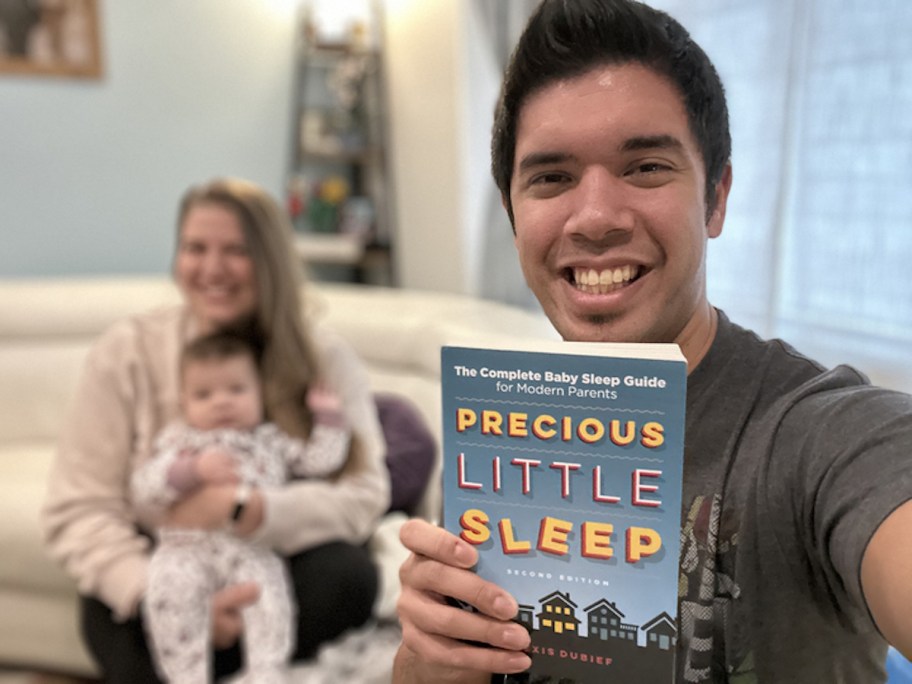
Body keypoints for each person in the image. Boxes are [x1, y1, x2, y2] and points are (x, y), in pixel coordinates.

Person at [393, 1, 912, 683]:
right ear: (513, 215)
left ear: (716, 198)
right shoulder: (498, 445)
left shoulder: (818, 433)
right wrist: (428, 657)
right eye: (551, 177)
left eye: (645, 167)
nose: (597, 217)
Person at [42, 177, 390, 683]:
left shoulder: (325, 359)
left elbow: (364, 495)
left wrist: (247, 508)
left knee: (348, 576)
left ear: (269, 261)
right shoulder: (128, 352)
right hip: (169, 568)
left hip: (271, 566)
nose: (211, 269)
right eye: (195, 248)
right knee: (105, 607)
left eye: (235, 251)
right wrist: (161, 598)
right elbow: (80, 508)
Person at [132, 330, 350, 683]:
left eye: (236, 390)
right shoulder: (180, 439)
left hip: (250, 547)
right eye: (204, 394)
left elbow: (317, 462)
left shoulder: (269, 440)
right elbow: (147, 488)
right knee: (171, 596)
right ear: (184, 402)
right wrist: (192, 470)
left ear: (260, 393)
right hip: (185, 547)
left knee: (269, 599)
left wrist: (329, 420)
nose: (222, 402)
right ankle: (185, 675)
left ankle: (266, 671)